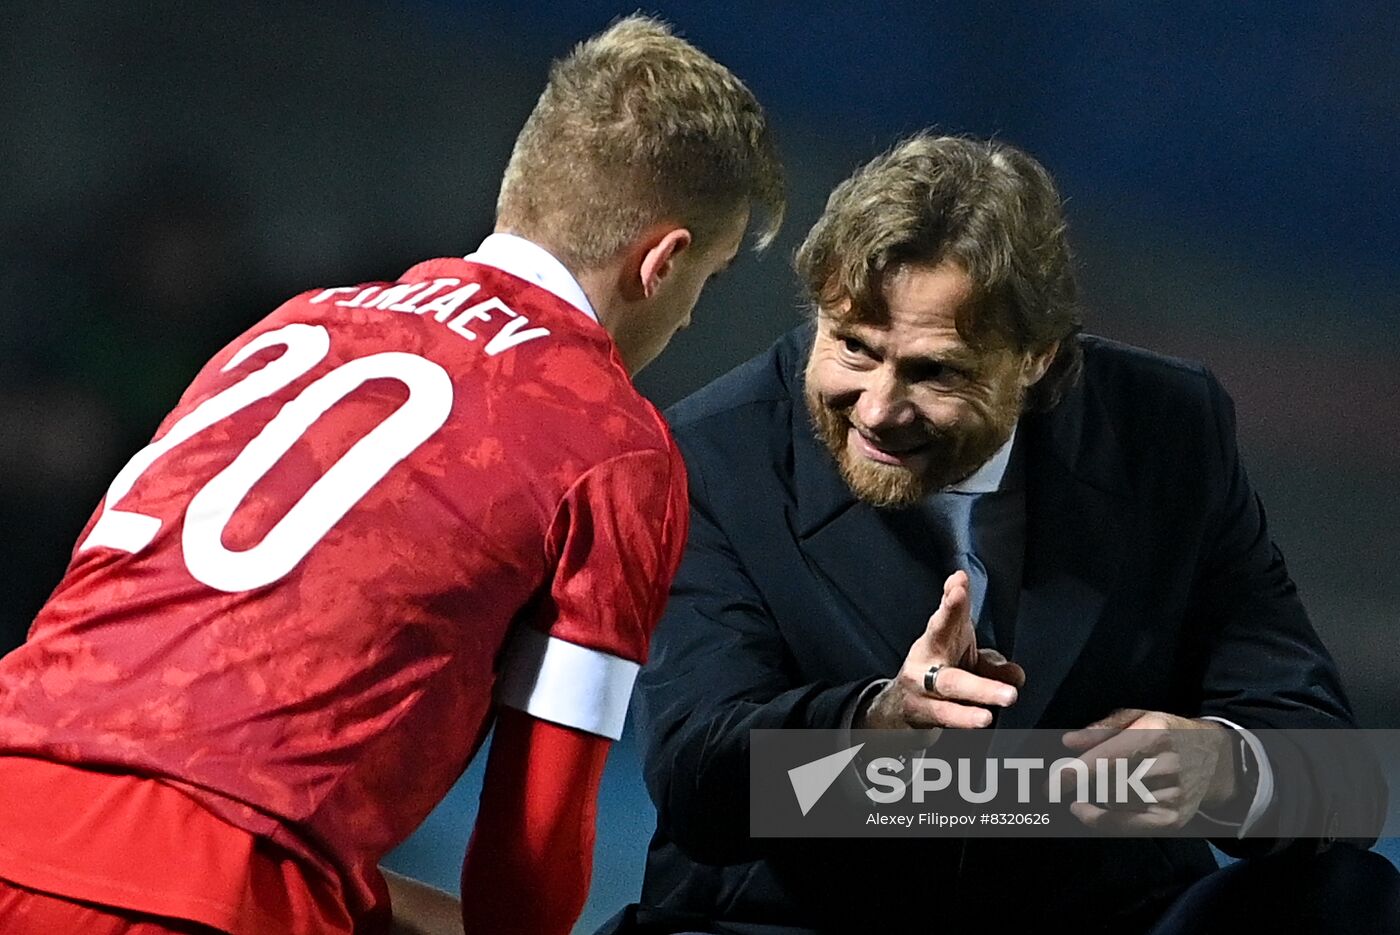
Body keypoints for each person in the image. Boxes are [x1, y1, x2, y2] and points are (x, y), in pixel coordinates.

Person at [0, 15, 784, 935]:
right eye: (712, 281)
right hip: (202, 898)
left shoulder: (296, 322)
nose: (690, 319)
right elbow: (526, 869)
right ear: (665, 261)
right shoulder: (612, 444)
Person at [601, 134, 1398, 934]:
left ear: (1037, 358)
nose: (877, 408)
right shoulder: (713, 454)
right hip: (806, 920)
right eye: (853, 347)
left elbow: (1343, 777)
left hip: (1096, 915)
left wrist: (1222, 768)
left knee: (1348, 900)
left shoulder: (1168, 431)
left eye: (934, 371)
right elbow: (698, 777)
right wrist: (876, 729)